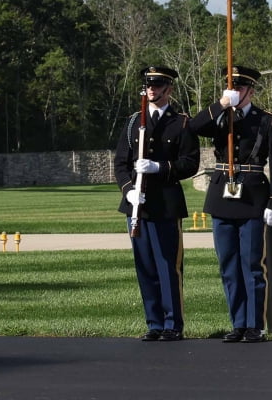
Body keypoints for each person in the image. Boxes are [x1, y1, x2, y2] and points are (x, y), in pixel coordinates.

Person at [189, 65, 272, 343]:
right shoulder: (220, 116)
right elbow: (194, 127)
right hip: (222, 197)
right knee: (229, 265)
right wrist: (221, 105)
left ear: (251, 91)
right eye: (230, 87)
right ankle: (238, 322)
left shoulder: (266, 120)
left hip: (253, 197)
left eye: (240, 88)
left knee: (252, 264)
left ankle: (255, 324)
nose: (234, 92)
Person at [113, 65, 201, 342]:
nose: (152, 88)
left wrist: (159, 167)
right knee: (145, 265)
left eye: (158, 84)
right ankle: (154, 323)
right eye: (149, 84)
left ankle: (173, 324)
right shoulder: (132, 122)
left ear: (169, 89)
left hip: (165, 204)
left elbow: (190, 163)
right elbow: (120, 164)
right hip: (137, 205)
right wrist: (128, 190)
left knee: (168, 266)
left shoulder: (182, 123)